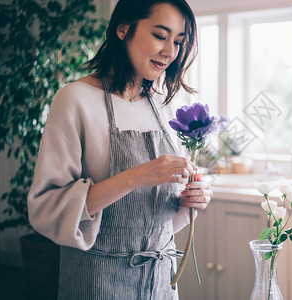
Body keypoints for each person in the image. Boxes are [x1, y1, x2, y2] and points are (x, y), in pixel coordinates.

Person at [27, 0, 212, 299]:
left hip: (161, 282)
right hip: (97, 281)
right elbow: (47, 209)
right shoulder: (75, 99)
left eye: (178, 42)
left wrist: (190, 201)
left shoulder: (162, 105)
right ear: (123, 29)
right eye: (160, 35)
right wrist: (138, 175)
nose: (170, 51)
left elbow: (162, 216)